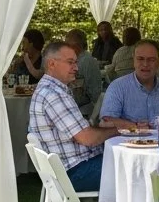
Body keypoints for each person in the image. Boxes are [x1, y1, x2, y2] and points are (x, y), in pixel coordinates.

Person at [28, 41, 119, 192]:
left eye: (76, 62)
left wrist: (101, 128)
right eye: (70, 62)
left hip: (69, 169)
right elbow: (87, 138)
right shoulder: (53, 94)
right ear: (51, 64)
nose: (76, 68)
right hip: (74, 173)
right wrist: (120, 130)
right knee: (134, 170)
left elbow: (82, 132)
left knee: (129, 165)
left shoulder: (51, 89)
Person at [100, 39, 159, 129]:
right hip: (128, 142)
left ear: (158, 62)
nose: (145, 64)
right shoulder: (117, 87)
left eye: (151, 60)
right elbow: (106, 122)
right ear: (133, 61)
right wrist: (135, 127)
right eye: (140, 59)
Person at [63, 28, 104, 111]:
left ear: (76, 46)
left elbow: (95, 94)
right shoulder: (73, 59)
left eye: (67, 45)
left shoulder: (87, 61)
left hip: (83, 110)